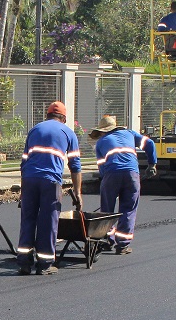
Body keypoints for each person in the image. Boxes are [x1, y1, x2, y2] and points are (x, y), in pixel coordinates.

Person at [16, 101, 81, 275]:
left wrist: (23, 191)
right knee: (48, 221)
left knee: (28, 220)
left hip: (29, 180)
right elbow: (75, 166)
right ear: (64, 118)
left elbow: (24, 162)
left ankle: (24, 263)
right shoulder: (68, 133)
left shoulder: (34, 130)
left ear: (47, 115)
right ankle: (44, 264)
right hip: (50, 182)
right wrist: (78, 193)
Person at [90, 114, 157, 255]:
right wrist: (152, 164)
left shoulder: (101, 143)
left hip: (111, 175)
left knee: (107, 210)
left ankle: (107, 240)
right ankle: (122, 245)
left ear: (102, 131)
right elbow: (150, 143)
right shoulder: (130, 134)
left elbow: (102, 168)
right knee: (128, 209)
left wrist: (109, 184)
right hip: (132, 175)